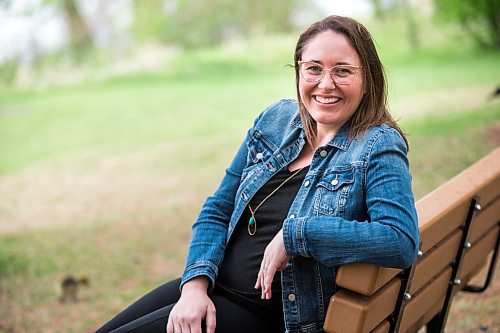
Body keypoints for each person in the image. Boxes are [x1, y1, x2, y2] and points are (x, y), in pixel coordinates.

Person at [95, 15, 420, 333]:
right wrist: (194, 286)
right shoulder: (276, 120)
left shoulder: (377, 145)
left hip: (266, 313)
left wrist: (296, 236)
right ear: (298, 73)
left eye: (343, 71)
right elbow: (218, 209)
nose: (325, 84)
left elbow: (399, 239)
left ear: (368, 80)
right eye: (313, 69)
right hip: (213, 285)